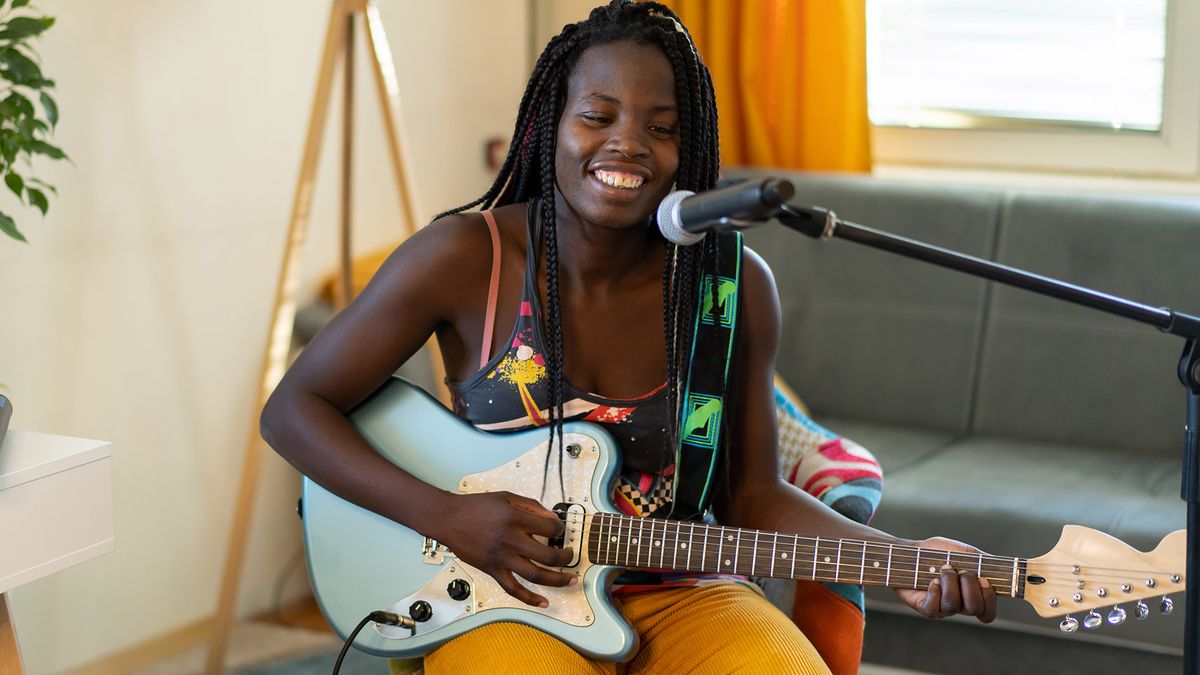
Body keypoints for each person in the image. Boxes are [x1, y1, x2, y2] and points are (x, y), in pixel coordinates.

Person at [260, 2, 996, 673]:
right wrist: (448, 515)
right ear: (552, 123)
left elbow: (752, 494)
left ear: (693, 147)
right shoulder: (464, 258)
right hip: (498, 593)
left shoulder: (730, 288)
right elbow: (294, 408)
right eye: (598, 115)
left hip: (682, 590)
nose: (628, 145)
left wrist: (900, 557)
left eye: (663, 127)